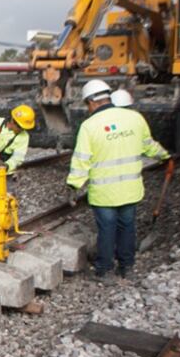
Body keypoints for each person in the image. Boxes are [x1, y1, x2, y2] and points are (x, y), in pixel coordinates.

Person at [66, 80, 170, 283]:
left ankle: (104, 270)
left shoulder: (90, 126)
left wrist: (73, 185)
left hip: (104, 193)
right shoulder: (135, 118)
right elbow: (149, 146)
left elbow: (81, 160)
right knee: (127, 228)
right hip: (130, 190)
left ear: (91, 102)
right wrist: (166, 156)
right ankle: (126, 267)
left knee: (107, 230)